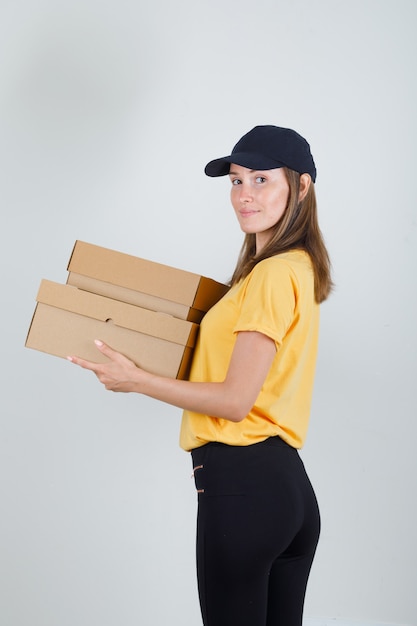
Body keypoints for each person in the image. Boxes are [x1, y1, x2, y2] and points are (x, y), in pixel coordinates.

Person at [68, 125, 332, 626]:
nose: (244, 196)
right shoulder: (290, 269)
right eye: (235, 181)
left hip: (243, 488)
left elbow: (235, 400)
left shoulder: (273, 275)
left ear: (301, 187)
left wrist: (136, 379)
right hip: (287, 492)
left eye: (261, 179)